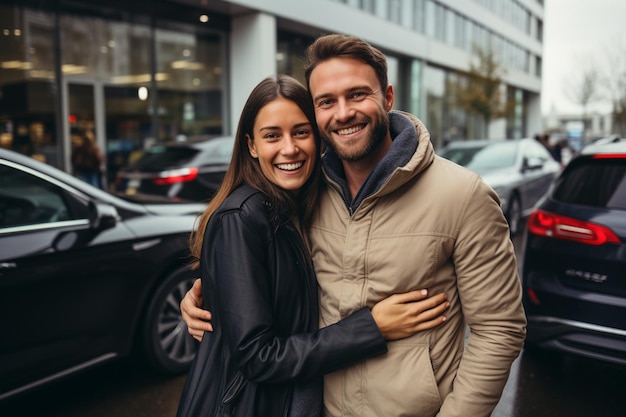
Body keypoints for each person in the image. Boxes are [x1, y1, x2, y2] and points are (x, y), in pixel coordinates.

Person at [181, 34, 527, 417]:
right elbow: (269, 290)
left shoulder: (463, 195)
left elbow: (500, 330)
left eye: (358, 94)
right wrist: (210, 299)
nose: (343, 113)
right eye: (327, 102)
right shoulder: (308, 194)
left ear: (388, 97)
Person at [176, 75, 450, 417]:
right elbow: (257, 357)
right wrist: (372, 327)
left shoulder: (302, 204)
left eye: (301, 132)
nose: (289, 148)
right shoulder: (242, 217)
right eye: (272, 135)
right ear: (251, 146)